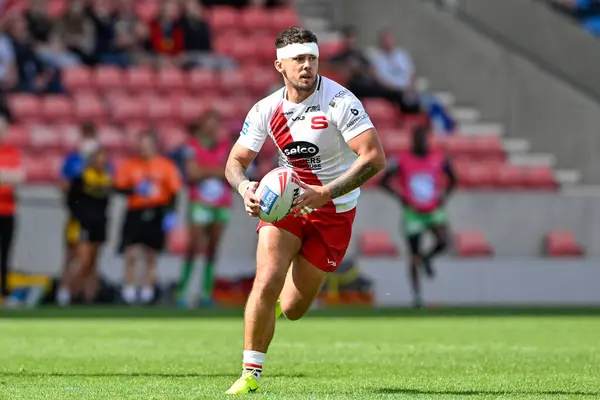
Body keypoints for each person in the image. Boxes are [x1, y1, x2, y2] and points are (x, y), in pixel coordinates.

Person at [224, 27, 386, 394]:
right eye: (298, 59)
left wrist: (325, 193)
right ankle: (250, 375)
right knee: (265, 281)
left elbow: (375, 159)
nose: (307, 66)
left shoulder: (340, 102)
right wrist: (245, 186)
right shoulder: (267, 108)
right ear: (279, 64)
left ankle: (271, 312)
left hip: (335, 212)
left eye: (312, 58)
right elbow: (235, 162)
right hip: (287, 206)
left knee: (294, 308)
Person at [379, 126, 456, 308]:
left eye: (424, 139)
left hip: (433, 208)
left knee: (444, 241)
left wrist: (444, 195)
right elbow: (383, 180)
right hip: (413, 212)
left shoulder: (439, 158)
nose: (422, 143)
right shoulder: (401, 159)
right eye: (418, 140)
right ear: (413, 141)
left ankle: (427, 258)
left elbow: (453, 178)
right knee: (413, 254)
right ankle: (417, 296)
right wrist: (401, 197)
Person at [115, 133, 182, 305]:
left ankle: (147, 290)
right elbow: (119, 188)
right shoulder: (130, 165)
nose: (144, 148)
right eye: (141, 144)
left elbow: (174, 192)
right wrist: (136, 190)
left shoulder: (166, 166)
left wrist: (170, 215)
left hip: (157, 210)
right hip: (136, 211)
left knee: (152, 253)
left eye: (147, 144)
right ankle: (129, 289)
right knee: (131, 251)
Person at [177, 111, 231, 308]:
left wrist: (205, 170)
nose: (211, 128)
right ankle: (182, 292)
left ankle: (206, 293)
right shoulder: (191, 146)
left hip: (221, 203)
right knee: (193, 247)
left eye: (214, 124)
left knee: (213, 249)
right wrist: (217, 171)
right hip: (199, 202)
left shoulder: (226, 146)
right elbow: (193, 173)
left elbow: (232, 172)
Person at [61, 147, 112, 305]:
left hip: (99, 223)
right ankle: (66, 292)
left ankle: (88, 295)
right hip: (82, 223)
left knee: (93, 262)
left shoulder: (106, 179)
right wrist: (79, 218)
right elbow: (71, 201)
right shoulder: (82, 178)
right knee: (81, 259)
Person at [57, 121, 99, 306]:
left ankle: (87, 294)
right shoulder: (74, 161)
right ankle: (65, 291)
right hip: (77, 216)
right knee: (74, 255)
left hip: (96, 217)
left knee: (92, 258)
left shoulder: (101, 163)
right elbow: (65, 186)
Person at [0, 117, 24, 305]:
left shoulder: (12, 152)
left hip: (7, 211)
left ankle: (4, 294)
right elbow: (10, 177)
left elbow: (18, 177)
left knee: (5, 253)